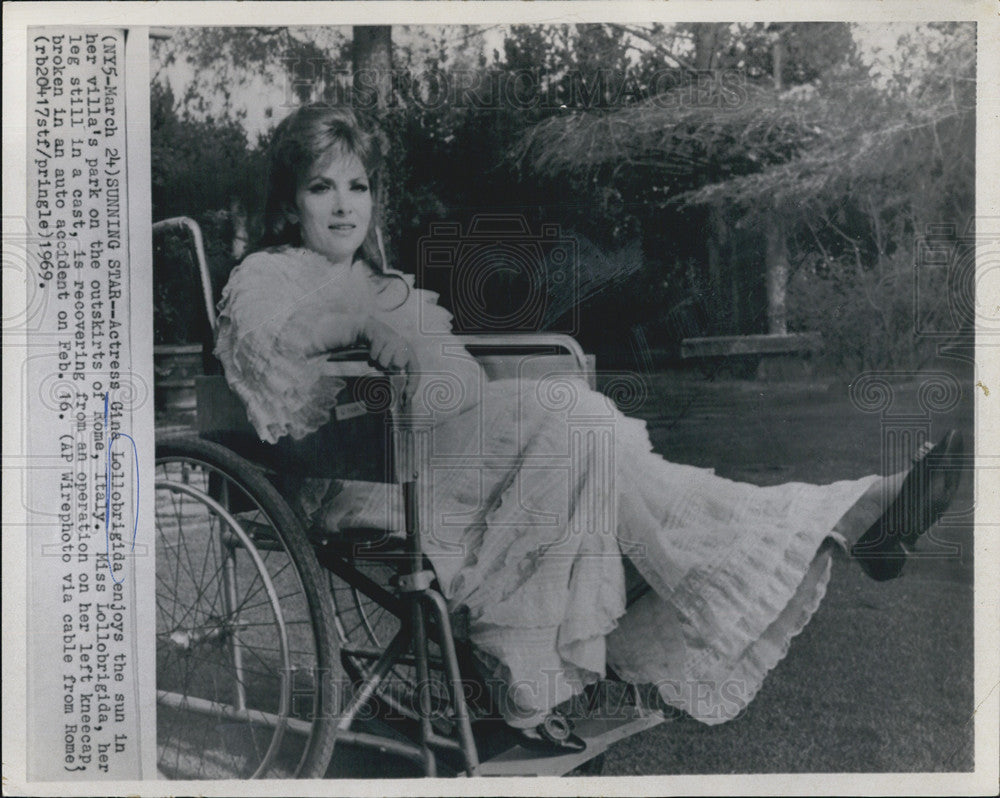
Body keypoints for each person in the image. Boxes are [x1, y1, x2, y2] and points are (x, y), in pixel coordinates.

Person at [213, 105, 964, 753]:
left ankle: (852, 515)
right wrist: (357, 327)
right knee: (579, 425)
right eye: (321, 187)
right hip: (364, 482)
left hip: (440, 464)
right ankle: (844, 517)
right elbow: (272, 361)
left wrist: (398, 332)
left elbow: (458, 390)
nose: (345, 206)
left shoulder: (385, 287)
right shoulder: (269, 278)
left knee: (600, 445)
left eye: (358, 185)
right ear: (289, 205)